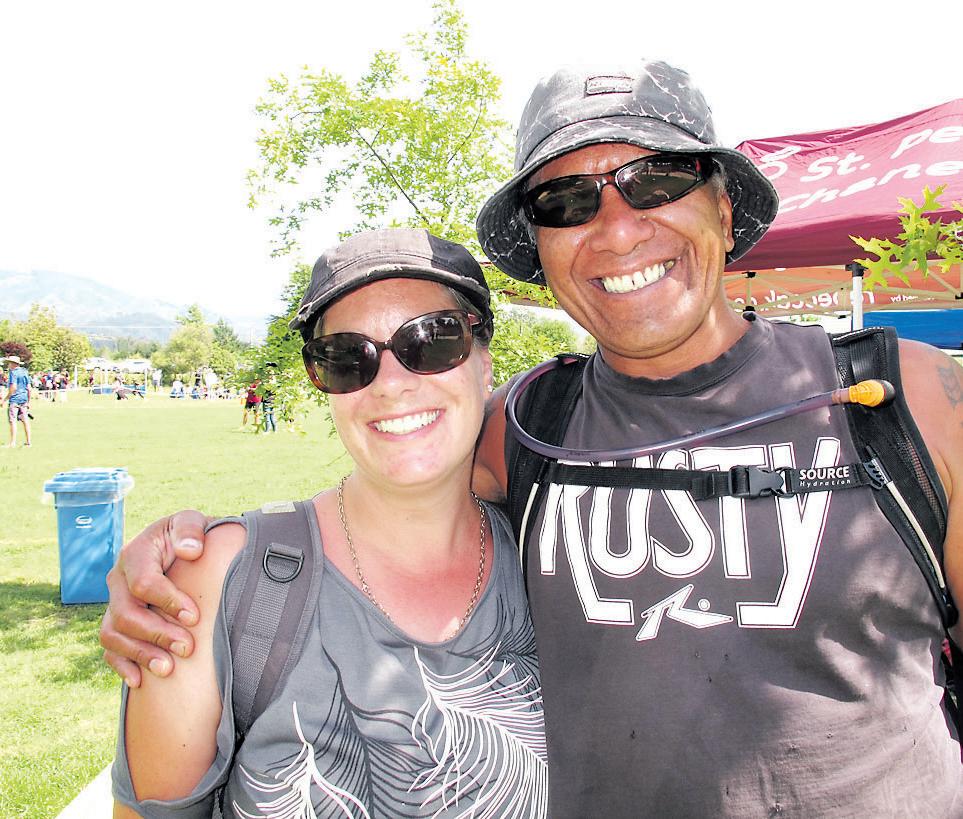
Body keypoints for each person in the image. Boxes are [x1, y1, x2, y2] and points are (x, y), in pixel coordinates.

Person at [102, 61, 963, 815]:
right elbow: (394, 483)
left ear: (722, 200)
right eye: (567, 200)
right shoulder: (524, 428)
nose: (617, 228)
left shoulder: (915, 402)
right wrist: (187, 558)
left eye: (657, 179)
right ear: (542, 248)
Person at [111, 228, 547, 816]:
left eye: (432, 340)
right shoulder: (214, 584)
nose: (391, 384)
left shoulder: (553, 556)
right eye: (347, 358)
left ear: (485, 363)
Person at [3, 355, 32, 447]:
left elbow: (13, 387)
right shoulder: (24, 372)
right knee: (25, 420)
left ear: (13, 364)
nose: (8, 365)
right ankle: (28, 441)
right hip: (24, 399)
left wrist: (5, 399)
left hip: (15, 399)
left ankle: (13, 442)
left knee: (13, 421)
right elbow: (29, 388)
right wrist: (28, 401)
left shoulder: (13, 373)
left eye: (9, 363)